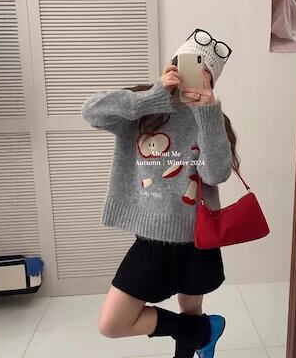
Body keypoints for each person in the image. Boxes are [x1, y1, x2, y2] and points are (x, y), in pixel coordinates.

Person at [81, 28, 241, 358]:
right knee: (112, 323)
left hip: (196, 238)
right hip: (150, 240)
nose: (192, 77)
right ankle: (204, 332)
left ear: (211, 82)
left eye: (204, 74)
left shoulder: (212, 119)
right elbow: (91, 111)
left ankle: (195, 340)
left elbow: (216, 174)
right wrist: (152, 96)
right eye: (188, 65)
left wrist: (208, 113)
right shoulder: (142, 106)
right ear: (174, 64)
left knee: (191, 309)